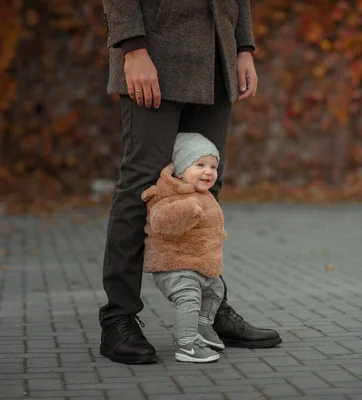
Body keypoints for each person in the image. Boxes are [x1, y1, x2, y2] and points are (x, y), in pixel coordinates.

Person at [100, 0, 282, 364]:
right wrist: (132, 46)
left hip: (217, 56)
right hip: (155, 50)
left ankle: (208, 312)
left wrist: (243, 47)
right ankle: (118, 318)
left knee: (205, 189)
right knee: (141, 186)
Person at [142, 133, 229, 363]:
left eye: (213, 166)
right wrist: (186, 211)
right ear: (181, 170)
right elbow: (160, 221)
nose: (208, 171)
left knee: (216, 290)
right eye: (200, 165)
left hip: (198, 263)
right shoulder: (169, 193)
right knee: (189, 297)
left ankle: (201, 326)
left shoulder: (204, 195)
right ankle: (187, 343)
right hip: (173, 263)